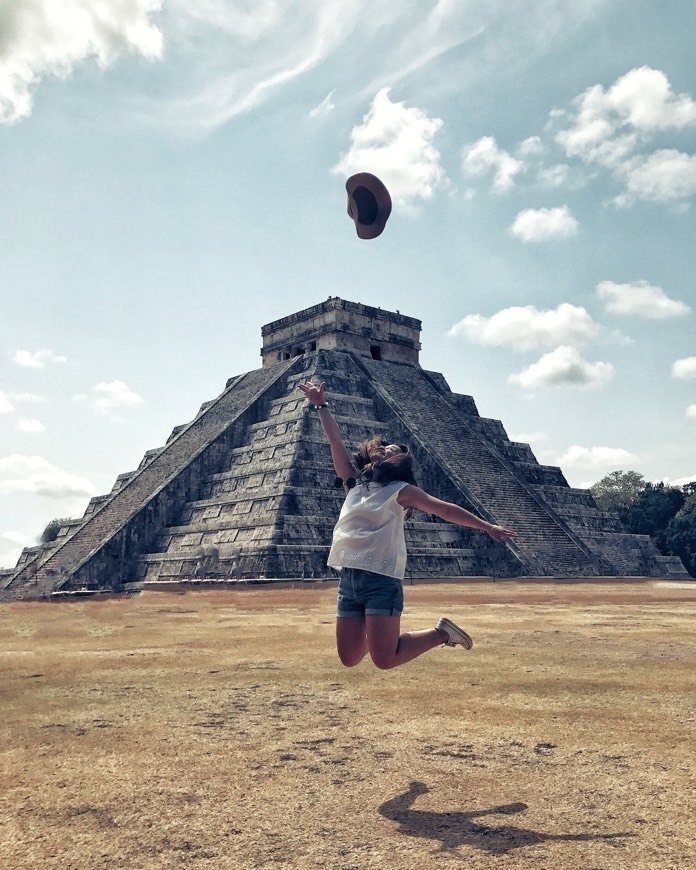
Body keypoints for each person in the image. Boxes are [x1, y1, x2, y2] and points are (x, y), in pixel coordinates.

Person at [297, 380, 516, 670]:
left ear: (400, 463)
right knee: (349, 658)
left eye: (394, 450)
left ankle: (442, 633)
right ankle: (381, 636)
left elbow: (446, 510)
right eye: (384, 446)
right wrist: (320, 405)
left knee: (384, 659)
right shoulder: (353, 482)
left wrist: (487, 526)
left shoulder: (402, 491)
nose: (386, 449)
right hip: (348, 578)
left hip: (380, 578)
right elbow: (335, 441)